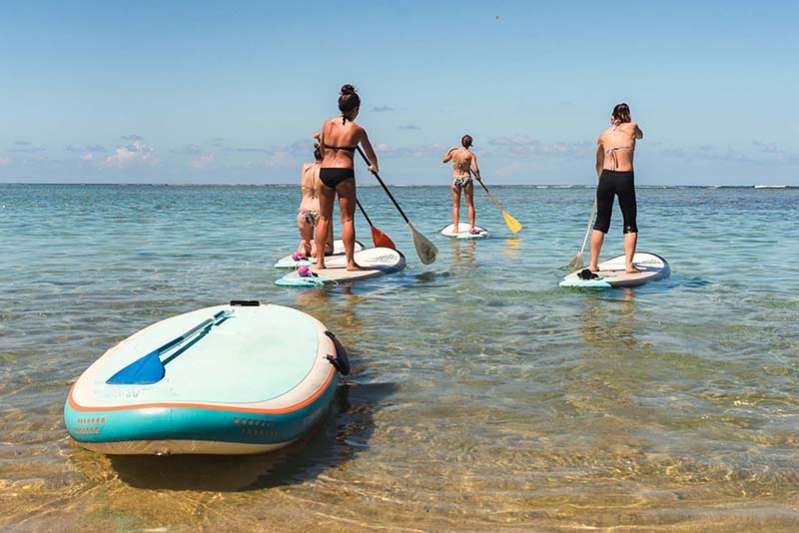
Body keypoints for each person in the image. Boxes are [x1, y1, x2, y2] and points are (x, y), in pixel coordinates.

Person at [315, 84, 378, 271]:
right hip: (344, 173)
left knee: (324, 218)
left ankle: (319, 262)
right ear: (356, 109)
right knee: (347, 219)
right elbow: (371, 154)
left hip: (325, 172)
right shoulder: (357, 130)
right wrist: (374, 166)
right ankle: (350, 263)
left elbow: (322, 150)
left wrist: (324, 140)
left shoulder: (326, 124)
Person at [587, 103, 644, 276]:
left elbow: (598, 162)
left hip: (605, 178)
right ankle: (628, 265)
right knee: (629, 221)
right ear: (628, 115)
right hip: (624, 178)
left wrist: (601, 181)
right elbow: (641, 136)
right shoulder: (632, 127)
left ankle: (593, 265)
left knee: (601, 222)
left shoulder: (603, 135)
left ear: (612, 117)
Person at [295, 144, 333, 259]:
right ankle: (316, 246)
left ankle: (305, 246)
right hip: (320, 210)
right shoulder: (327, 170)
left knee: (305, 241)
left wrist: (321, 143)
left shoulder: (305, 167)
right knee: (327, 248)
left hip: (303, 211)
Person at [442, 135, 481, 232]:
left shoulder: (454, 152)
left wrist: (449, 150)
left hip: (456, 179)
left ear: (461, 142)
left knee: (456, 205)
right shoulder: (471, 154)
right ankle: (471, 228)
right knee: (470, 205)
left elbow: (444, 160)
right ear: (470, 144)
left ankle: (455, 228)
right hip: (467, 178)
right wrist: (478, 176)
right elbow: (475, 169)